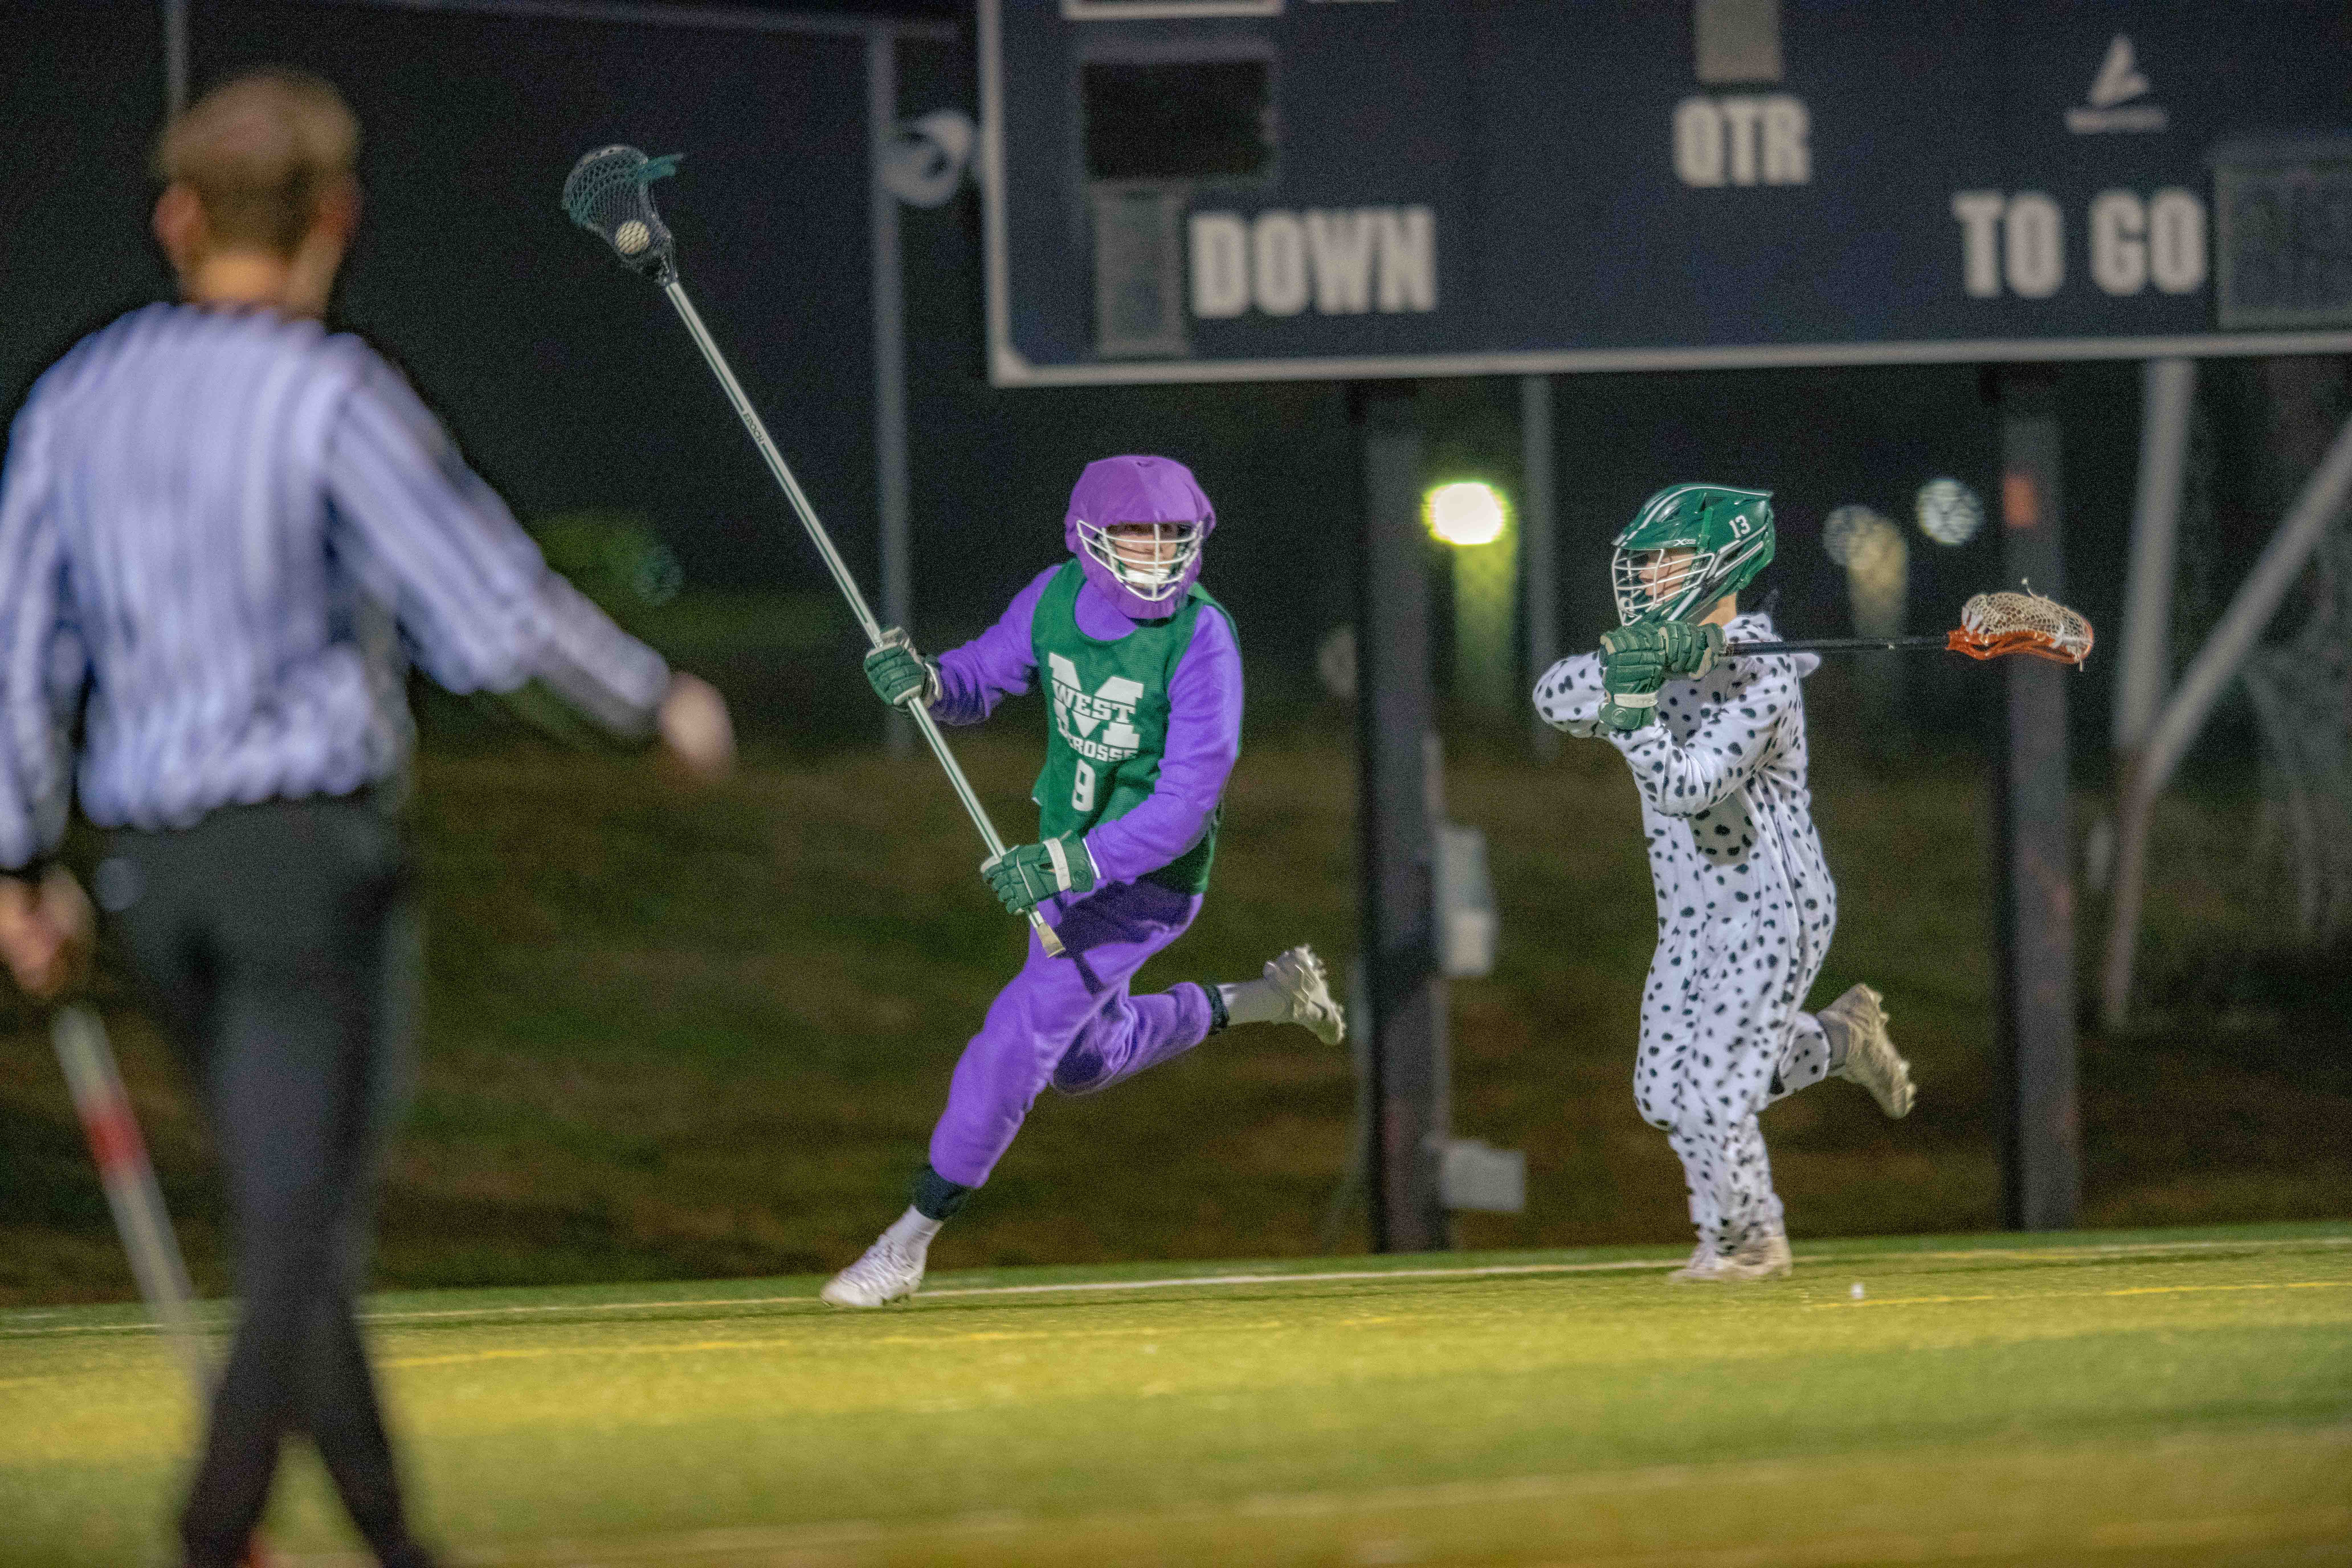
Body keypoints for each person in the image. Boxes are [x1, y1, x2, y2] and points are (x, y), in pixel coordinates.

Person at [0, 70, 734, 1567]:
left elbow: (19, 645)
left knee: (297, 1221)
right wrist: (656, 702)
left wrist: (17, 861)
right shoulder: (329, 396)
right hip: (306, 866)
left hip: (157, 883)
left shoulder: (77, 399)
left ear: (177, 219)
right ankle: (216, 1521)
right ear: (335, 219)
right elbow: (490, 616)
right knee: (301, 1229)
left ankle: (398, 1542)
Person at [820, 454, 1344, 1308]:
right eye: (1136, 537)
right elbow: (980, 678)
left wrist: (1071, 862)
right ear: (1089, 541)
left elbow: (1186, 800)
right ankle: (1257, 1002)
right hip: (1066, 863)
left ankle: (906, 1244)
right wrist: (927, 680)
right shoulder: (1055, 598)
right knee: (1085, 1061)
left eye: (1173, 538)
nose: (1156, 555)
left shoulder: (1203, 637)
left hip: (1148, 884)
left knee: (1019, 1034)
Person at [1531, 483, 1913, 1283]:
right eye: (1640, 565)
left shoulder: (1763, 678)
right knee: (1664, 1096)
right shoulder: (1655, 650)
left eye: (1664, 564)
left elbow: (1687, 785)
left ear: (1725, 562)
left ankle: (1749, 1244)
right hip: (1691, 914)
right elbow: (1553, 698)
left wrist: (1633, 708)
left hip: (1773, 908)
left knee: (1711, 1095)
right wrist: (1635, 664)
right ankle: (1841, 1040)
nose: (1645, 581)